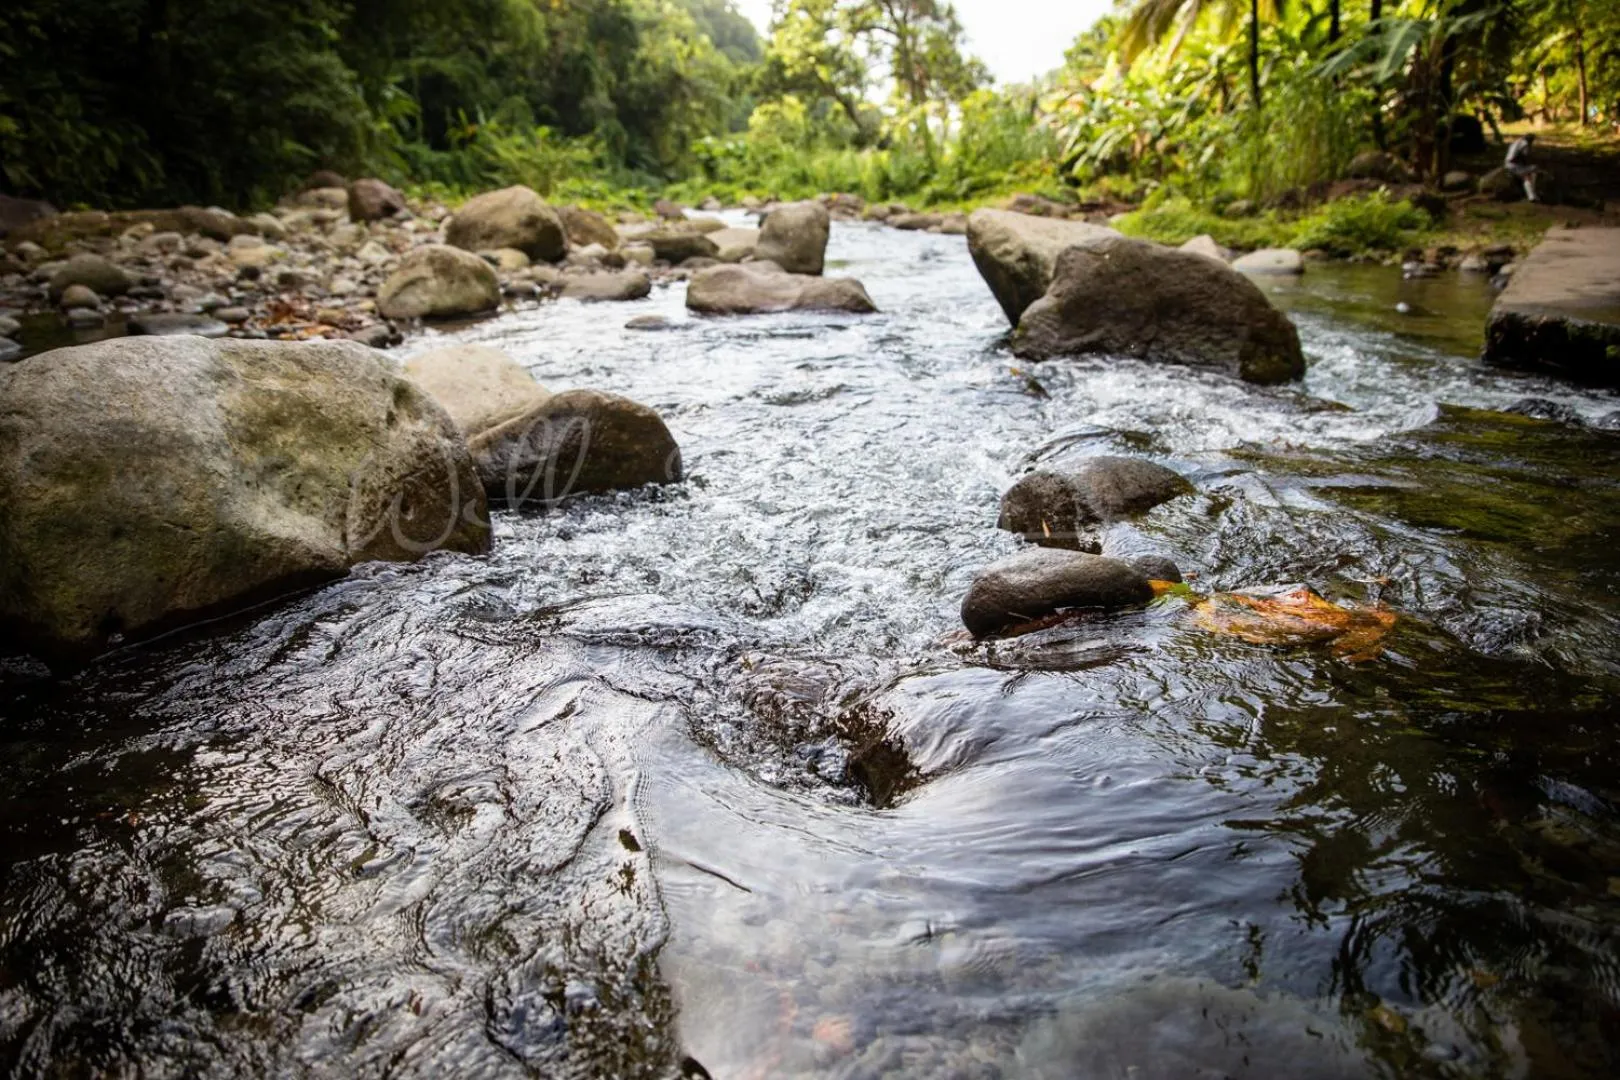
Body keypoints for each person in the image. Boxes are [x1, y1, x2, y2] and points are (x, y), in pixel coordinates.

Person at [1505, 133, 1539, 202]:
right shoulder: (1525, 144)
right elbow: (1524, 156)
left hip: (1508, 164)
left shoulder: (1516, 142)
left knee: (1528, 173)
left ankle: (1531, 195)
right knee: (1533, 170)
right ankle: (1532, 195)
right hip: (1514, 165)